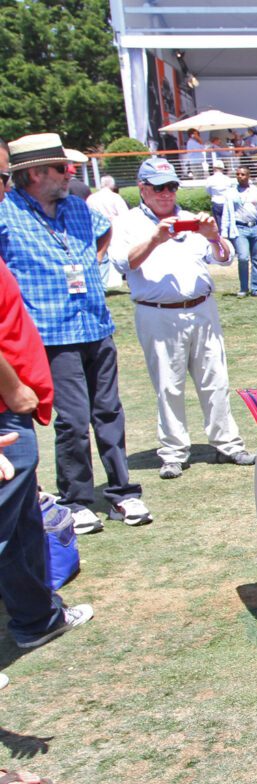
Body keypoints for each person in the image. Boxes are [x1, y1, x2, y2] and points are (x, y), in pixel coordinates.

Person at [0, 134, 149, 534]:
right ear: (34, 173)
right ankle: (78, 498)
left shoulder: (78, 208)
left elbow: (103, 235)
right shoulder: (6, 214)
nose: (71, 175)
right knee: (73, 418)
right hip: (50, 333)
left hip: (95, 324)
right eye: (63, 168)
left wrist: (88, 264)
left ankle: (122, 491)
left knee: (109, 411)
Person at [0, 139, 95, 649]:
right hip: (7, 410)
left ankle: (37, 620)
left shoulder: (75, 211)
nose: (4, 189)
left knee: (18, 528)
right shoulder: (10, 222)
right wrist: (16, 392)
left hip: (18, 405)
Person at [108, 157, 255, 480]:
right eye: (159, 188)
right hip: (158, 312)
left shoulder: (190, 219)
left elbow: (224, 257)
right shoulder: (129, 222)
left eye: (172, 186)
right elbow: (123, 263)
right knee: (168, 385)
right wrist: (154, 239)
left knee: (215, 378)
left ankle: (227, 443)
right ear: (143, 189)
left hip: (201, 306)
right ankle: (174, 451)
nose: (166, 194)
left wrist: (214, 236)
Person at [219, 166, 257, 298]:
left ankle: (256, 288)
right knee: (243, 257)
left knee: (256, 260)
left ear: (248, 176)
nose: (240, 176)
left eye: (242, 174)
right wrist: (224, 231)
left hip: (255, 228)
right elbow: (226, 213)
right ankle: (243, 288)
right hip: (240, 228)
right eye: (238, 174)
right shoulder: (231, 193)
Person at [204, 159, 232, 233]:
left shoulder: (210, 179)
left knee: (218, 224)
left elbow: (208, 190)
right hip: (226, 202)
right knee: (228, 222)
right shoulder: (227, 179)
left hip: (216, 202)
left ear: (213, 168)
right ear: (222, 168)